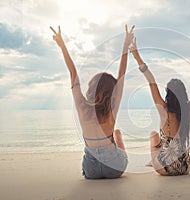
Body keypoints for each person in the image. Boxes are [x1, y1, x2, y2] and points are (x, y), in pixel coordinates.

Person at [50, 25, 135, 179]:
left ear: (91, 89)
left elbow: (73, 73)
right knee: (117, 135)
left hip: (91, 170)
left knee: (108, 139)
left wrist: (62, 46)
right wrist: (125, 44)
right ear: (112, 92)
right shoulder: (112, 109)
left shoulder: (82, 107)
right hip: (113, 169)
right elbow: (121, 75)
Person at [130, 37, 190, 176]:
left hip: (165, 170)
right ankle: (155, 161)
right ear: (183, 95)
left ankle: (153, 161)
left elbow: (151, 80)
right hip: (185, 168)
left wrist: (137, 56)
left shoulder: (163, 110)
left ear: (168, 95)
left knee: (153, 135)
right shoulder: (189, 110)